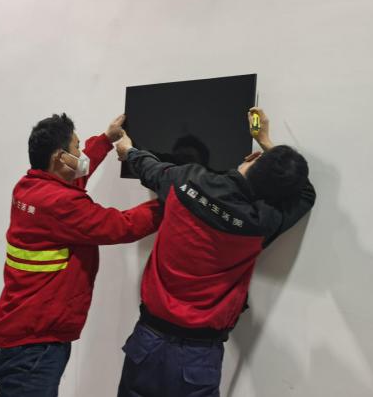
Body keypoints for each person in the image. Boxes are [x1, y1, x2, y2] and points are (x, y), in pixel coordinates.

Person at [114, 107, 316, 397]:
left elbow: (149, 167)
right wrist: (266, 141)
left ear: (252, 161)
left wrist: (128, 151)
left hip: (148, 340)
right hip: (199, 357)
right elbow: (306, 194)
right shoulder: (261, 224)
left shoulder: (186, 180)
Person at [0, 113, 163, 397]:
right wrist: (171, 200)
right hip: (36, 345)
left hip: (18, 331)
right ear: (61, 157)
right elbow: (122, 226)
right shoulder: (61, 203)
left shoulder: (29, 186)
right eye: (77, 148)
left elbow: (72, 181)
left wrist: (105, 140)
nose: (81, 154)